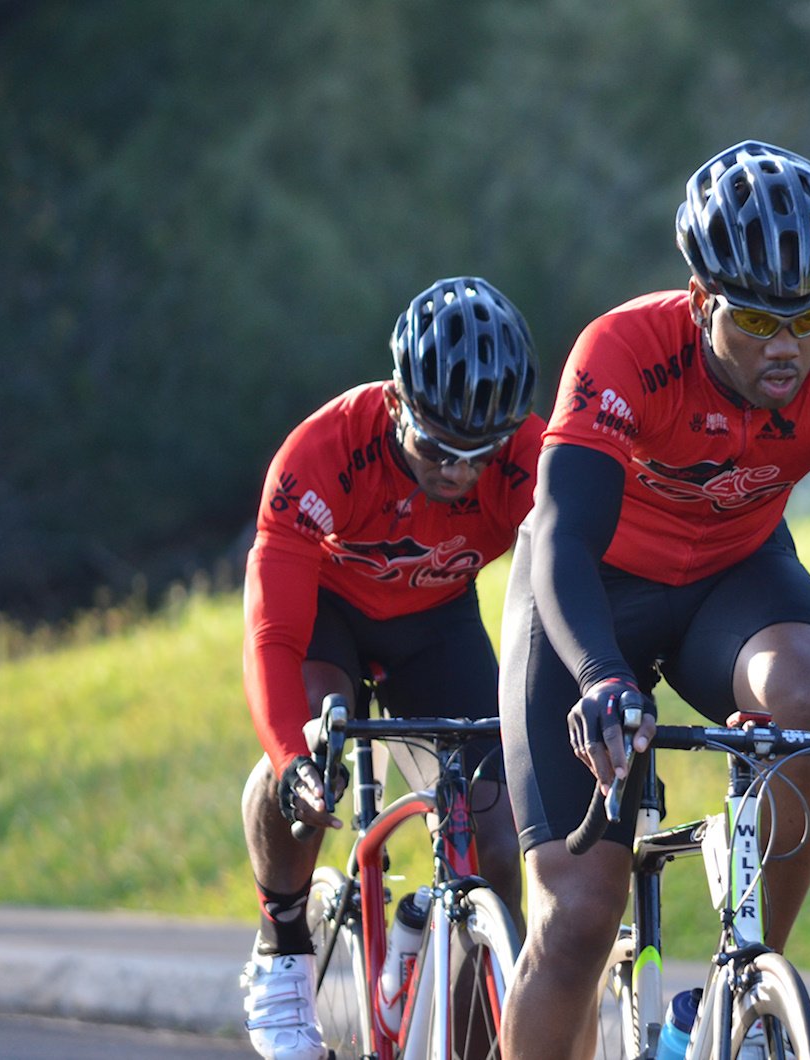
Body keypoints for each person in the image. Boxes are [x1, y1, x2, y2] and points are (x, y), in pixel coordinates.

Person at [498, 140, 810, 1058]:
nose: (791, 345)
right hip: (590, 591)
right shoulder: (622, 349)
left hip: (732, 574)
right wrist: (600, 678)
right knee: (576, 920)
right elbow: (563, 539)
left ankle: (745, 985)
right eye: (760, 320)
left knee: (805, 690)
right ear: (699, 301)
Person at [238, 276, 543, 1060]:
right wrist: (289, 758)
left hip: (434, 625)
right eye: (437, 447)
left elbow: (575, 582)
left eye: (479, 453)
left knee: (498, 834)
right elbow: (273, 633)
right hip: (327, 619)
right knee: (315, 756)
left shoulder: (526, 458)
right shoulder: (325, 452)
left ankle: (473, 1029)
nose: (455, 471)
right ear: (398, 400)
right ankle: (281, 954)